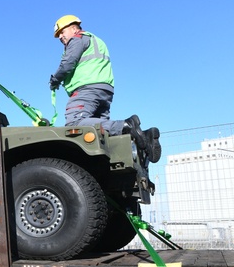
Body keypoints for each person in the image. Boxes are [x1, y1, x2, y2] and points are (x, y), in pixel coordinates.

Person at [49, 15, 160, 163]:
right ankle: (144, 141)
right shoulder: (97, 41)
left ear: (74, 27)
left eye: (62, 32)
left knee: (74, 123)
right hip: (104, 91)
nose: (60, 37)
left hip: (86, 90)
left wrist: (55, 80)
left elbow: (68, 63)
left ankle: (126, 125)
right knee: (100, 132)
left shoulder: (77, 39)